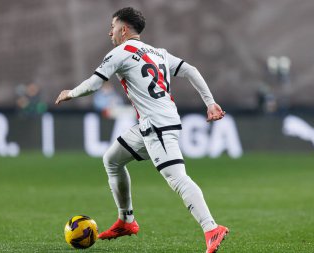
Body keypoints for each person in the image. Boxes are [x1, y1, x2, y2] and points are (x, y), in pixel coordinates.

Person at [55, 7, 228, 253]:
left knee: (177, 178)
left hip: (158, 124)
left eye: (113, 27)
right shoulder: (158, 53)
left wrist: (69, 93)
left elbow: (95, 84)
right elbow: (191, 70)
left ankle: (211, 228)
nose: (110, 33)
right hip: (151, 123)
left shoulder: (120, 52)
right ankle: (126, 220)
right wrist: (210, 103)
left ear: (123, 29)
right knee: (112, 160)